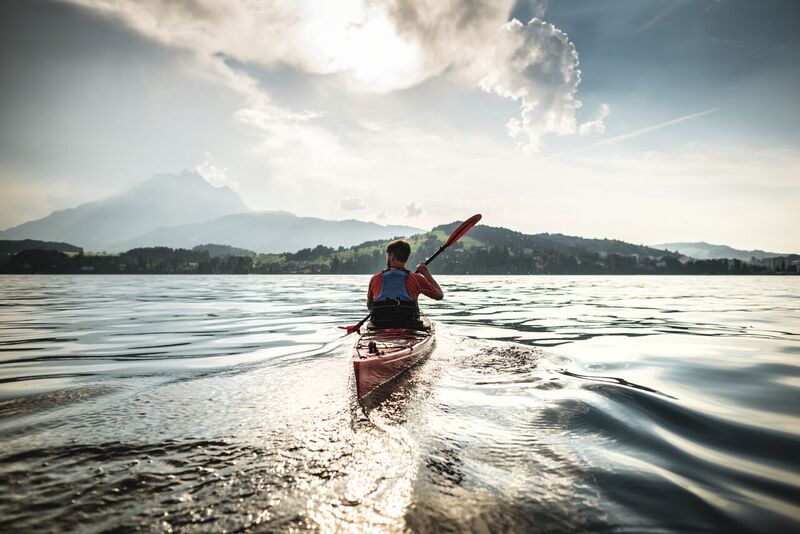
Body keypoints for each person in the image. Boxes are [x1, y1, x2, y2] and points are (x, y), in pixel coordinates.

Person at [367, 240, 443, 328]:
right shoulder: (416, 278)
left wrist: (381, 313)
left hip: (380, 324)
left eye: (387, 256)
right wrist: (426, 273)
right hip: (409, 325)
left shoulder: (375, 278)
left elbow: (370, 305)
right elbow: (439, 295)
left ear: (392, 256)